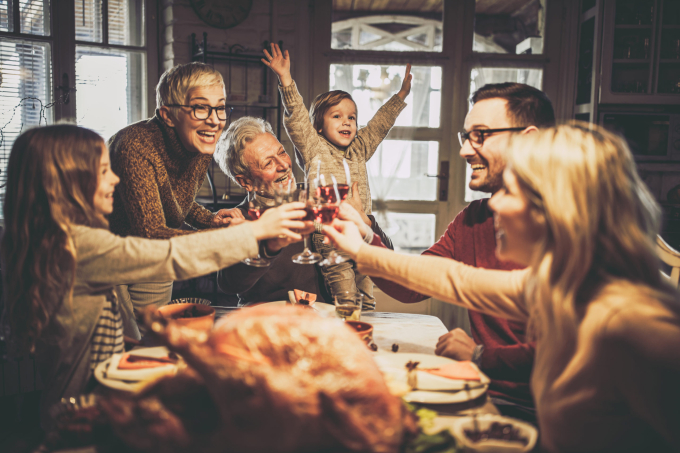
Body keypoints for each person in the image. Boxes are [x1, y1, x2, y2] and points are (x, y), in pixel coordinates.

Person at [324, 123, 680, 452]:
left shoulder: (634, 323)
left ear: (557, 209)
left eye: (512, 189)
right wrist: (361, 247)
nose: (494, 202)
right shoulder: (566, 282)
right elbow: (455, 279)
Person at [0, 125, 308, 428]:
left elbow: (93, 338)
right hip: (83, 417)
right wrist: (257, 231)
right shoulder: (76, 247)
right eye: (104, 171)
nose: (115, 180)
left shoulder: (50, 237)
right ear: (69, 183)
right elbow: (171, 255)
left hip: (89, 405)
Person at [371, 82, 555, 421]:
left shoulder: (570, 223)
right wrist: (366, 241)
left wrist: (480, 355)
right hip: (481, 391)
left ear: (529, 140)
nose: (465, 151)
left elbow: (564, 352)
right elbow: (415, 286)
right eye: (466, 136)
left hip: (545, 411)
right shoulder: (475, 217)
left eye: (481, 135)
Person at [261, 43, 409, 307]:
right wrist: (285, 79)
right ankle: (348, 328)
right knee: (347, 297)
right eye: (337, 116)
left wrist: (399, 98)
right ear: (318, 125)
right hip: (329, 234)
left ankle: (364, 334)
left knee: (366, 296)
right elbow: (296, 118)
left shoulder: (358, 150)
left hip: (361, 232)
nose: (347, 122)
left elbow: (377, 126)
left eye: (352, 117)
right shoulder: (314, 148)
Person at [107, 62, 244, 335]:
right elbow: (151, 232)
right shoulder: (135, 146)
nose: (215, 120)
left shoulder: (200, 140)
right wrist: (226, 240)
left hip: (155, 260)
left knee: (157, 341)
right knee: (124, 349)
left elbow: (173, 199)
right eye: (200, 107)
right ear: (167, 115)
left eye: (220, 107)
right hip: (113, 258)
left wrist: (212, 220)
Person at [214, 116, 392, 307]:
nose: (283, 166)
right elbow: (229, 283)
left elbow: (387, 264)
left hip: (327, 324)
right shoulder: (239, 220)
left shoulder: (320, 199)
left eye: (281, 153)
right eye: (268, 163)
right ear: (246, 182)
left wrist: (366, 224)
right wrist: (268, 246)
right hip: (266, 326)